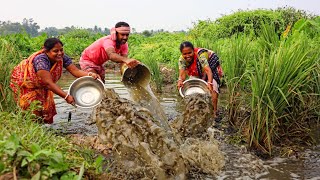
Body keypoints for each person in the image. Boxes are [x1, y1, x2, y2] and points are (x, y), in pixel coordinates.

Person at [10, 38, 100, 124]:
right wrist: (66, 96)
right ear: (46, 51)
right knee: (31, 111)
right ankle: (29, 131)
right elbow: (48, 83)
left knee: (44, 112)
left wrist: (90, 75)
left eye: (61, 50)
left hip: (42, 85)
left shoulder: (62, 58)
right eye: (55, 51)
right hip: (26, 85)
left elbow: (75, 71)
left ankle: (41, 130)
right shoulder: (41, 61)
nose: (60, 53)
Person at [177, 41, 223, 117]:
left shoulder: (201, 55)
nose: (187, 56)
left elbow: (208, 70)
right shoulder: (182, 60)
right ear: (182, 54)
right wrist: (180, 81)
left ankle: (214, 112)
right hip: (199, 69)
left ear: (193, 51)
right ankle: (196, 111)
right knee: (192, 87)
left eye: (190, 53)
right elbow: (182, 75)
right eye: (185, 54)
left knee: (213, 89)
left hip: (210, 64)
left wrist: (210, 82)